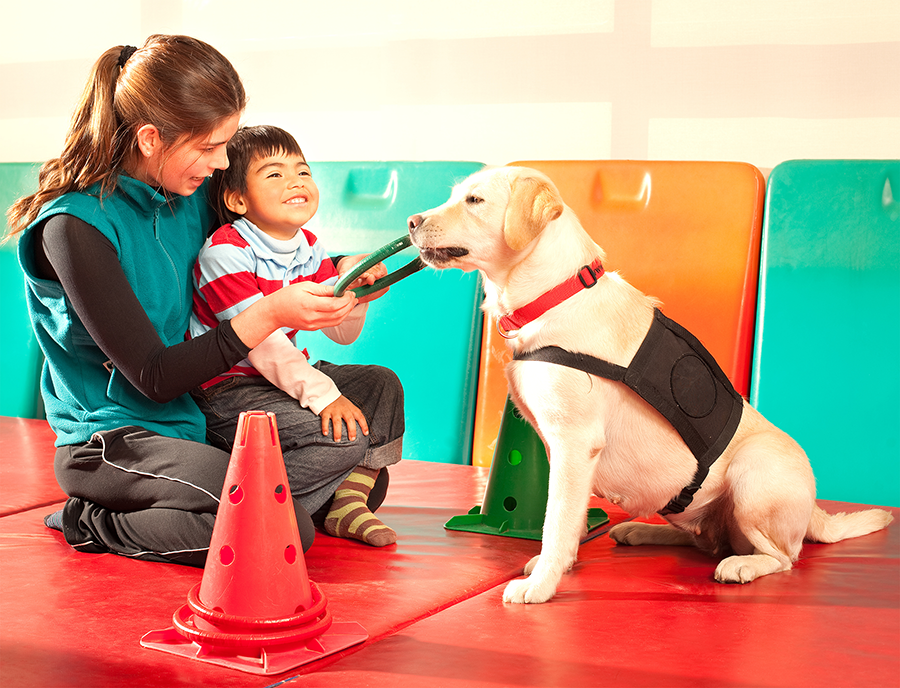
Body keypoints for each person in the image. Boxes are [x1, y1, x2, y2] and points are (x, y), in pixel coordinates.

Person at [4, 35, 390, 566]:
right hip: (117, 441)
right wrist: (270, 314)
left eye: (226, 144)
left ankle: (265, 501)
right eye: (209, 147)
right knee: (280, 532)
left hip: (199, 422)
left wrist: (349, 268)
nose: (222, 162)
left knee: (369, 435)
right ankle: (91, 519)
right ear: (148, 138)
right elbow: (155, 377)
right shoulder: (74, 228)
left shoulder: (187, 195)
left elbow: (268, 239)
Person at [190, 125, 403, 546]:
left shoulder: (309, 246)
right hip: (229, 389)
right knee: (342, 437)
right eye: (274, 174)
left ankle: (347, 503)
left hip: (282, 375)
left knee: (382, 384)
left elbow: (340, 332)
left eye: (302, 171)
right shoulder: (225, 253)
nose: (295, 181)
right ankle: (258, 516)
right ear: (237, 199)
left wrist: (357, 293)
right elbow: (262, 345)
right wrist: (325, 397)